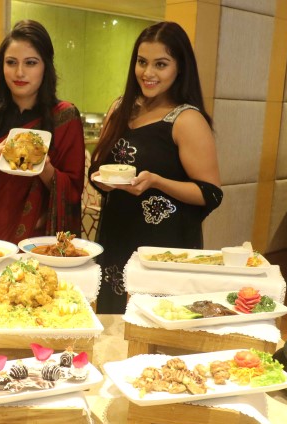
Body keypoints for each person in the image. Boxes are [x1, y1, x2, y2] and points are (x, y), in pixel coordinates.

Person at [88, 21, 223, 314]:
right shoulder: (120, 108)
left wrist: (157, 182)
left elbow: (210, 193)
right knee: (114, 321)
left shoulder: (186, 120)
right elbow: (97, 167)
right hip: (117, 236)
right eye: (142, 62)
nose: (148, 73)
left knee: (155, 325)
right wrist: (101, 180)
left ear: (180, 68)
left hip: (163, 249)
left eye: (160, 64)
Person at [0, 19, 85, 241]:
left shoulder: (65, 117)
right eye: (11, 62)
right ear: (1, 66)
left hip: (41, 243)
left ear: (45, 66)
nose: (19, 72)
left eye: (30, 63)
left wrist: (42, 165)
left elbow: (73, 192)